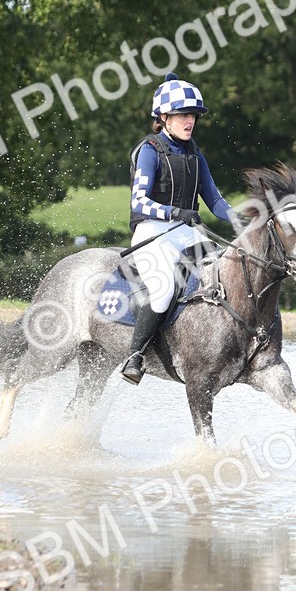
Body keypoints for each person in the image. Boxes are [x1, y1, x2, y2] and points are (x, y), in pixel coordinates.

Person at [120, 73, 241, 384]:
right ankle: (135, 356)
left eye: (193, 116)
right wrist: (174, 211)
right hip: (153, 232)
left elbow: (214, 199)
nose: (190, 121)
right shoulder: (149, 150)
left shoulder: (194, 154)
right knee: (162, 291)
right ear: (164, 117)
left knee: (225, 272)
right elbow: (139, 203)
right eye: (183, 115)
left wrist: (242, 218)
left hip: (186, 232)